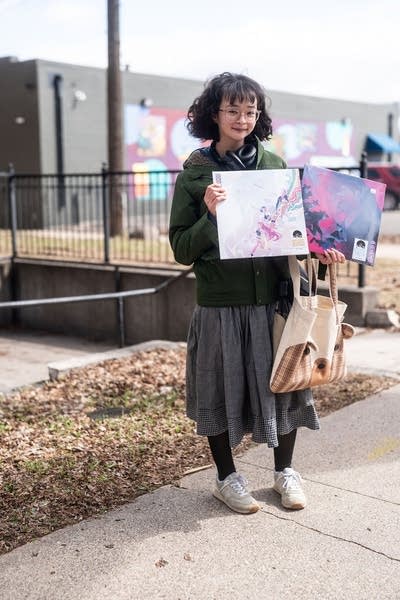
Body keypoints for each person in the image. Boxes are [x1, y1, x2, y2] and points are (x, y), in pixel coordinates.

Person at [169, 72, 345, 514]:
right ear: (214, 113)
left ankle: (285, 472)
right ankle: (227, 478)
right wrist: (210, 216)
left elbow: (293, 233)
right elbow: (180, 249)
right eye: (233, 109)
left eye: (250, 110)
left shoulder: (273, 167)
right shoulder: (194, 175)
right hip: (220, 305)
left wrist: (324, 251)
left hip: (274, 300)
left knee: (284, 386)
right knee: (219, 389)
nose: (242, 118)